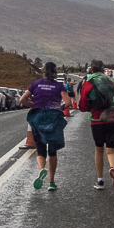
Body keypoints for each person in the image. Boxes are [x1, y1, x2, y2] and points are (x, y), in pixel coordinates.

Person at [21, 62, 75, 191]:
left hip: (38, 117)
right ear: (55, 73)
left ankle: (41, 169)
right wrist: (61, 107)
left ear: (43, 72)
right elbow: (68, 102)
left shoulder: (36, 84)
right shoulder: (59, 85)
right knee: (52, 151)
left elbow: (22, 99)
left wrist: (32, 105)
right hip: (54, 119)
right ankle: (51, 182)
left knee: (40, 150)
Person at [77, 59, 114, 189]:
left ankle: (100, 180)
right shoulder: (110, 82)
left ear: (91, 70)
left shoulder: (88, 84)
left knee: (99, 148)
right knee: (111, 149)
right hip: (113, 119)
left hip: (97, 120)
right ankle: (112, 167)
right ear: (103, 69)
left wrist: (90, 108)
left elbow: (82, 105)